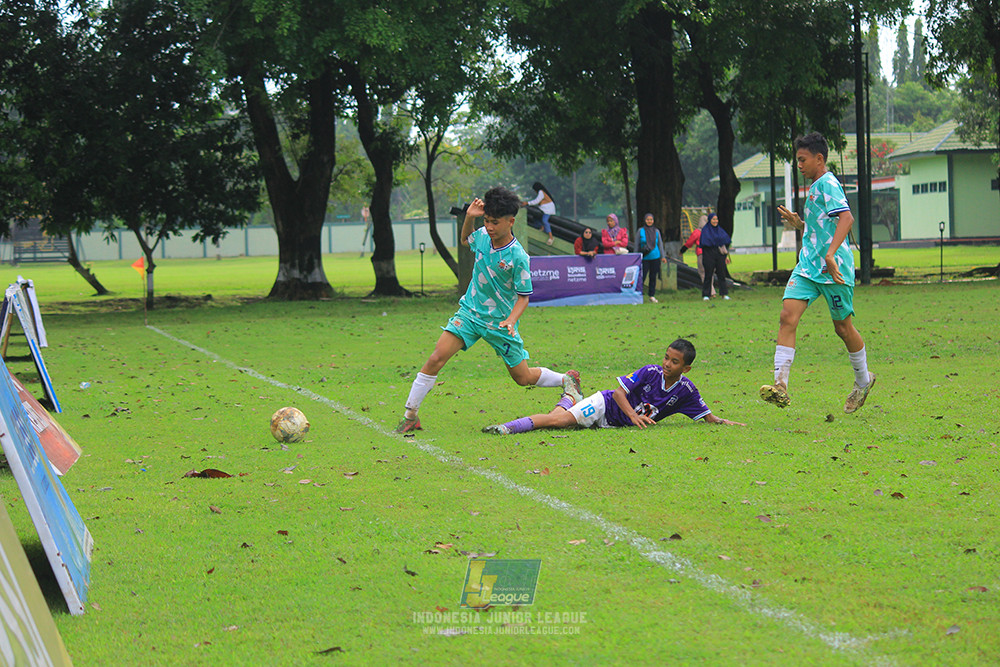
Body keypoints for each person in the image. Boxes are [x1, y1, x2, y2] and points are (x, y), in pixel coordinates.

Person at [395, 186, 582, 433]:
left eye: (494, 222)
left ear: (510, 222)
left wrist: (511, 321)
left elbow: (524, 297)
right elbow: (465, 239)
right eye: (486, 220)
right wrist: (470, 217)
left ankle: (565, 380)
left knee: (522, 378)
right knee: (435, 359)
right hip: (470, 315)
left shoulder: (519, 257)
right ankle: (411, 416)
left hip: (500, 323)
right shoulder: (482, 235)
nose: (490, 227)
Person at [759, 131, 876, 414]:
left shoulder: (828, 184)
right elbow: (820, 227)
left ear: (819, 158)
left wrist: (831, 253)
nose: (799, 165)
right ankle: (780, 385)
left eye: (802, 160)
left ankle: (863, 380)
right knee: (787, 316)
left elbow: (846, 218)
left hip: (833, 270)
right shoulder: (815, 186)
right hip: (808, 267)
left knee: (842, 328)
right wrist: (800, 223)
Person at [482, 338, 743, 435]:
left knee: (562, 418)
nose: (666, 364)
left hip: (612, 424)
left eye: (674, 362)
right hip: (604, 405)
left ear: (685, 368)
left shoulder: (687, 391)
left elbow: (708, 417)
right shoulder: (650, 372)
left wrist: (732, 424)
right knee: (556, 421)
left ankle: (571, 394)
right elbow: (618, 393)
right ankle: (507, 428)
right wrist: (633, 416)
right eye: (666, 357)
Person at [699, 213, 731, 301]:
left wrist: (726, 255)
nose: (715, 221)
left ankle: (724, 294)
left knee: (721, 274)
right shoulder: (705, 231)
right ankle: (706, 295)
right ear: (710, 220)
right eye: (713, 219)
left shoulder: (720, 230)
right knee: (708, 275)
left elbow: (724, 242)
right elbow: (704, 243)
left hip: (720, 255)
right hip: (709, 255)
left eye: (716, 219)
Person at [680, 214, 714, 296]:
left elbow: (689, 243)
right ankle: (711, 290)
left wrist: (682, 250)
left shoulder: (697, 232)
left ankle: (711, 291)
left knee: (703, 273)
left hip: (701, 253)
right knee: (710, 273)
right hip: (712, 254)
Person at [637, 213, 667, 303]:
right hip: (645, 257)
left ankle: (651, 295)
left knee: (653, 276)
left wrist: (663, 256)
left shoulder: (656, 231)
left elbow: (660, 244)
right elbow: (637, 244)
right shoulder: (640, 231)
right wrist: (636, 256)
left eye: (651, 220)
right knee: (642, 276)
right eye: (647, 219)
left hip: (655, 257)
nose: (649, 221)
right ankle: (638, 294)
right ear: (645, 220)